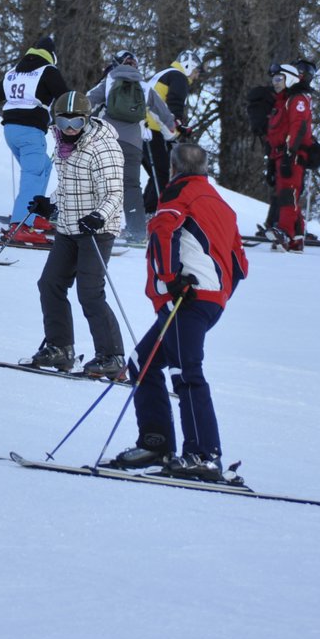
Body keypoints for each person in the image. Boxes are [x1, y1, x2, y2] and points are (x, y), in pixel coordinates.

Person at [107, 142, 249, 480]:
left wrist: (171, 281)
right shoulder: (222, 204)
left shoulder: (178, 194)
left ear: (172, 168)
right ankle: (156, 442)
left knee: (187, 371)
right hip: (204, 301)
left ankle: (203, 454)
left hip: (186, 298)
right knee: (143, 361)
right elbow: (240, 264)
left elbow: (161, 233)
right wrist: (219, 294)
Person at [23, 91, 126, 378]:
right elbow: (70, 186)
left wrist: (98, 216)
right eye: (63, 121)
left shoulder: (101, 147)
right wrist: (50, 203)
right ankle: (60, 348)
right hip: (69, 227)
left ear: (87, 120)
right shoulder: (62, 144)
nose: (70, 128)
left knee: (90, 293)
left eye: (77, 122)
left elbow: (115, 193)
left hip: (97, 230)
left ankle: (112, 356)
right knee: (50, 284)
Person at [86, 50, 178, 248]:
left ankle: (93, 225)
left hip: (106, 139)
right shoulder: (144, 86)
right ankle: (136, 232)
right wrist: (171, 133)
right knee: (131, 186)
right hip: (133, 143)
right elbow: (163, 113)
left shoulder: (109, 81)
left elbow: (88, 101)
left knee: (98, 180)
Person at [0, 37, 68, 244]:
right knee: (33, 175)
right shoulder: (48, 70)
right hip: (30, 130)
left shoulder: (14, 72)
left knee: (43, 167)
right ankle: (20, 225)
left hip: (11, 130)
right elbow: (65, 96)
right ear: (52, 55)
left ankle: (34, 216)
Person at [264, 61, 315, 252]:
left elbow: (299, 126)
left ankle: (285, 232)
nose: (275, 83)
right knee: (286, 193)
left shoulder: (297, 99)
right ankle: (296, 237)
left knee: (288, 193)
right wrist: (272, 160)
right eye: (274, 79)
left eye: (279, 79)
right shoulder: (282, 101)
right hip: (279, 155)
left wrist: (289, 152)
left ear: (290, 78)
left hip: (292, 154)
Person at [142, 50, 202, 210]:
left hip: (142, 128)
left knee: (157, 173)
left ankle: (143, 212)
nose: (196, 77)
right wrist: (178, 125)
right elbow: (175, 103)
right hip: (153, 129)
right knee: (163, 174)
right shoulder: (178, 76)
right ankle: (152, 214)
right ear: (188, 66)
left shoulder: (165, 73)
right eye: (196, 71)